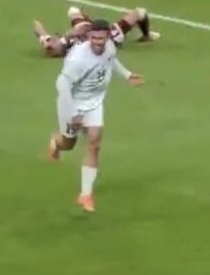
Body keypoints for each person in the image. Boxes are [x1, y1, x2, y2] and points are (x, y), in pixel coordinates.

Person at [48, 19, 145, 212]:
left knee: (94, 142)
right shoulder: (78, 59)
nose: (98, 42)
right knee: (68, 144)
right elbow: (62, 85)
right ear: (88, 36)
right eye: (94, 38)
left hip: (94, 102)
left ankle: (85, 194)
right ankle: (55, 143)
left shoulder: (109, 47)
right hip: (72, 103)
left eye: (101, 38)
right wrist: (73, 113)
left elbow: (111, 60)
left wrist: (127, 75)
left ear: (107, 36)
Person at [34, 5, 160, 58]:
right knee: (140, 12)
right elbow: (85, 30)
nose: (52, 41)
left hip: (87, 30)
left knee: (73, 11)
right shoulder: (68, 48)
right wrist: (71, 33)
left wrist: (43, 36)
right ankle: (146, 35)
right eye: (51, 47)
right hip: (107, 38)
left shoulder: (60, 41)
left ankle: (85, 17)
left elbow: (36, 24)